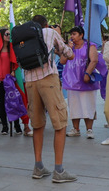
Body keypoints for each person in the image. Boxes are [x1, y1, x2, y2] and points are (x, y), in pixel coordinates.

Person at [21, 15, 76, 182]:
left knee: (37, 125)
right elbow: (69, 54)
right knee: (60, 124)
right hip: (48, 80)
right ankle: (58, 170)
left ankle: (38, 167)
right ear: (45, 24)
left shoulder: (24, 37)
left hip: (30, 82)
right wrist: (62, 43)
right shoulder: (50, 32)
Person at [60, 27, 102, 139]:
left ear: (81, 35)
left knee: (88, 105)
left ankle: (89, 129)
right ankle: (76, 129)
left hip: (86, 80)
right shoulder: (69, 47)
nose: (72, 36)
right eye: (71, 34)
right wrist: (68, 49)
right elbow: (62, 61)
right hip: (71, 80)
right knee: (74, 106)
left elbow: (94, 60)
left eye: (74, 34)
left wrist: (87, 74)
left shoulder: (90, 46)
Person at [0, 28, 24, 135]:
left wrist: (14, 71)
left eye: (9, 34)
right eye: (6, 34)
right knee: (1, 102)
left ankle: (17, 125)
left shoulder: (13, 49)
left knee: (13, 102)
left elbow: (17, 62)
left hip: (10, 80)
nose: (8, 36)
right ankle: (4, 126)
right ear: (1, 35)